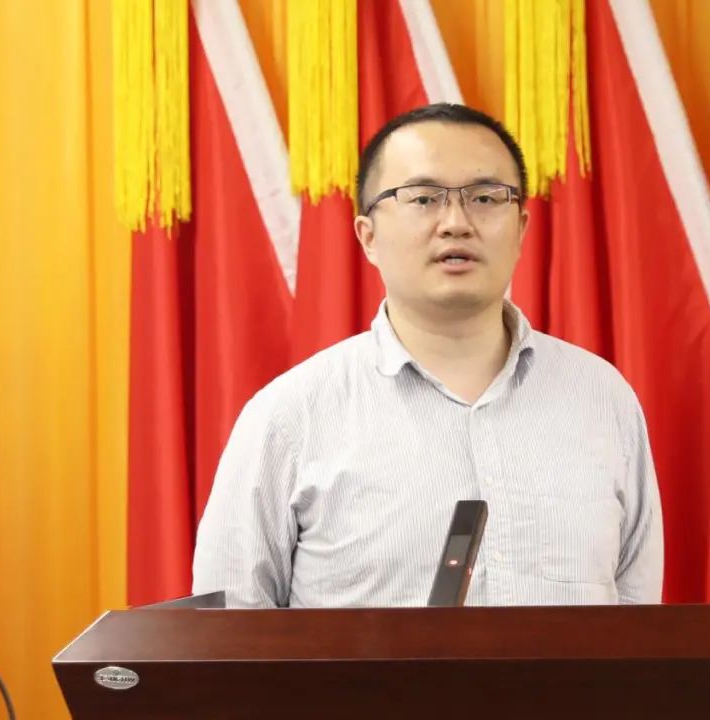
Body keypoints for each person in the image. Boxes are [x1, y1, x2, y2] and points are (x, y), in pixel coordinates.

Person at [192, 103, 663, 608]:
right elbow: (227, 636)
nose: (456, 223)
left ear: (521, 229)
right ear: (368, 237)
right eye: (422, 199)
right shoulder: (291, 416)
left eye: (485, 197)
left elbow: (636, 619)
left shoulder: (600, 397)